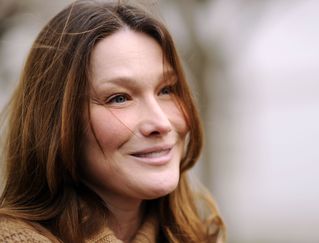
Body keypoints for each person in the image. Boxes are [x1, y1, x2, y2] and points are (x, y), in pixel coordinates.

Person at [0, 0, 225, 242]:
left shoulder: (200, 236)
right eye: (119, 98)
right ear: (56, 122)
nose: (161, 123)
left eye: (167, 90)